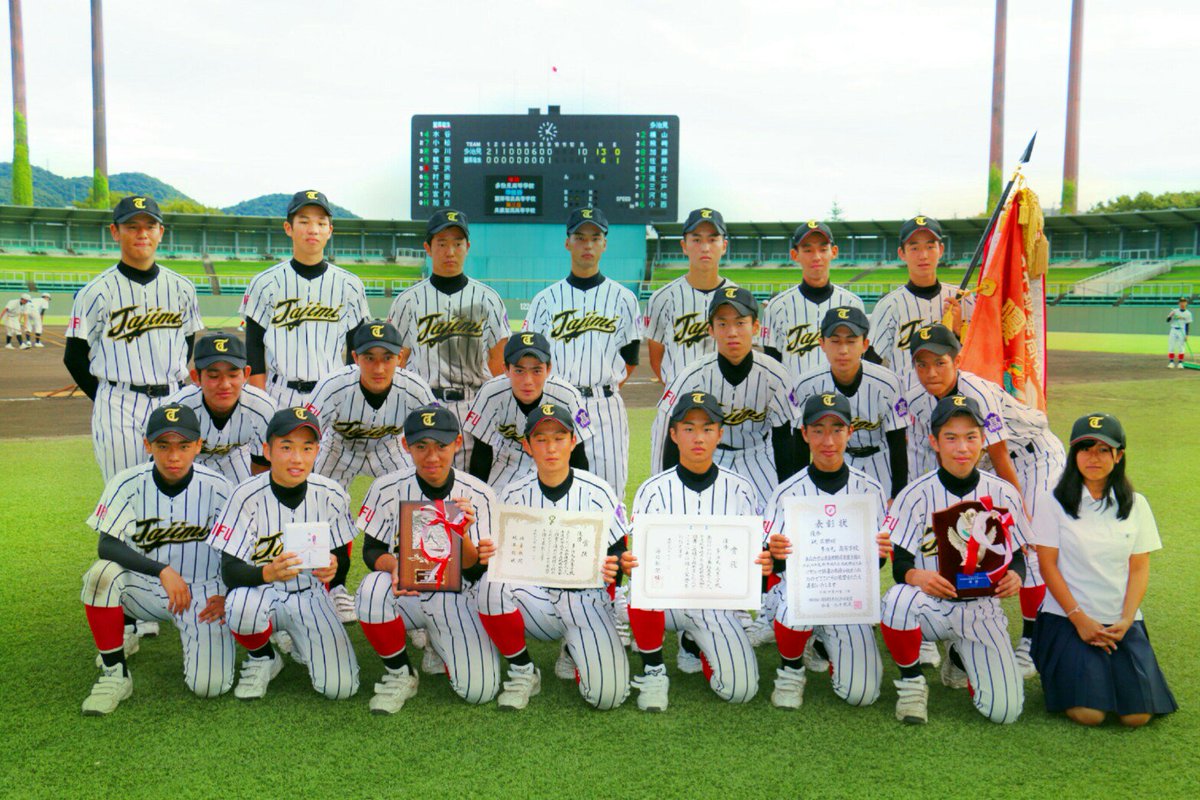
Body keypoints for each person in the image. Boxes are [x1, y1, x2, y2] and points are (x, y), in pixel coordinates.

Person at [903, 323, 1066, 676]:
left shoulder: (977, 391)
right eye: (922, 364)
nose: (931, 372)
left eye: (940, 362)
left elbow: (1001, 455)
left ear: (956, 360)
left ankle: (1032, 641)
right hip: (981, 463)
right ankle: (946, 627)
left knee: (1028, 544)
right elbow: (921, 455)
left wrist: (1017, 518)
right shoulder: (915, 397)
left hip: (1032, 457)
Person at [879, 394, 1030, 725]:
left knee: (1005, 712)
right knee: (897, 600)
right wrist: (917, 577)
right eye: (951, 437)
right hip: (930, 604)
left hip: (980, 608)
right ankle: (911, 683)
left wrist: (1016, 575)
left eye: (971, 437)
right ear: (934, 442)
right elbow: (901, 564)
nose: (962, 447)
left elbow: (1017, 554)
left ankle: (960, 658)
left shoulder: (1004, 493)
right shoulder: (914, 494)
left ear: (983, 440)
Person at [79, 403, 234, 714]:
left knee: (210, 687)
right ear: (148, 445)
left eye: (183, 446)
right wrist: (162, 570)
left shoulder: (219, 488)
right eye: (163, 445)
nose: (173, 456)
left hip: (202, 593)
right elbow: (107, 545)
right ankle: (115, 674)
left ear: (198, 446)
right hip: (145, 588)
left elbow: (237, 550)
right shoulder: (126, 482)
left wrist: (226, 595)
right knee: (100, 576)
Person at [477, 403, 630, 711]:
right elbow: (503, 557)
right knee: (490, 586)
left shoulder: (598, 490)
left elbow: (617, 549)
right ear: (527, 445)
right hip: (537, 600)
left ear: (573, 441)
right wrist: (488, 553)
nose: (550, 448)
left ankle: (573, 650)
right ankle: (523, 670)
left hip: (587, 600)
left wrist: (614, 565)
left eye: (559, 438)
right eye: (541, 439)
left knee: (608, 697)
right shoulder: (513, 493)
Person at [1030, 412, 1177, 726]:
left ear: (1119, 455)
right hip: (1067, 618)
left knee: (1137, 717)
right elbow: (1047, 566)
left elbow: (1139, 568)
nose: (1093, 457)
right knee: (1090, 714)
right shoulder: (1052, 502)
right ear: (1074, 454)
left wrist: (1127, 619)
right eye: (1085, 449)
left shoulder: (1137, 504)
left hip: (1120, 620)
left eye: (1103, 450)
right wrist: (1079, 619)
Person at [353, 406, 502, 713]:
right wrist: (394, 565)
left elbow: (475, 571)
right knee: (371, 589)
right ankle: (400, 672)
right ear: (406, 445)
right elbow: (371, 551)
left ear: (457, 443)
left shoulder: (479, 493)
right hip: (405, 592)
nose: (432, 456)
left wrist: (463, 536)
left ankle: (438, 641)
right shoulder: (385, 487)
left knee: (480, 692)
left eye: (441, 446)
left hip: (456, 596)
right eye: (421, 446)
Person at [622, 392, 761, 711]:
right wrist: (631, 564)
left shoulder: (740, 489)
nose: (698, 437)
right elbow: (643, 555)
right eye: (688, 428)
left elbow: (751, 558)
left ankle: (693, 641)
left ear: (720, 434)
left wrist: (763, 563)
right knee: (640, 584)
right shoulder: (653, 490)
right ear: (673, 434)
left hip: (715, 601)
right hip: (666, 600)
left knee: (741, 691)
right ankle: (653, 670)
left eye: (707, 428)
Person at [210, 407, 360, 701]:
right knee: (239, 604)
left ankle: (301, 639)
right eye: (286, 447)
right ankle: (263, 656)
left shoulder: (332, 494)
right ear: (267, 451)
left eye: (307, 448)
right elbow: (229, 571)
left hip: (310, 596)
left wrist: (333, 566)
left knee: (341, 689)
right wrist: (268, 572)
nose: (297, 458)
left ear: (317, 451)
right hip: (260, 593)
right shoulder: (244, 495)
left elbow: (341, 556)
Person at [64, 196, 204, 482]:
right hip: (119, 402)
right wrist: (107, 397)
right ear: (115, 232)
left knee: (175, 487)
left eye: (149, 226)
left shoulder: (182, 288)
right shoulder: (95, 292)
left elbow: (187, 343)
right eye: (132, 226)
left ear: (160, 232)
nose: (142, 233)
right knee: (123, 487)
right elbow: (74, 356)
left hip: (172, 398)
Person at [763, 392, 888, 709]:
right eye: (818, 430)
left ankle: (820, 645)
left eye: (837, 429)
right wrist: (774, 553)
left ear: (850, 432)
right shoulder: (786, 491)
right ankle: (791, 669)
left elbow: (876, 562)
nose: (828, 440)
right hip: (802, 594)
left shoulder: (871, 490)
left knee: (862, 695)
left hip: (847, 597)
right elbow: (772, 563)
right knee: (792, 607)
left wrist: (880, 552)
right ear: (804, 434)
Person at [523, 207, 643, 499]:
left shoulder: (624, 299)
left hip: (605, 406)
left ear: (604, 244)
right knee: (553, 491)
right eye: (580, 237)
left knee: (610, 492)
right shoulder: (545, 300)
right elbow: (532, 359)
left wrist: (603, 388)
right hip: (557, 404)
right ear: (568, 243)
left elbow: (630, 359)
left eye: (595, 238)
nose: (587, 244)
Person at [651, 285, 796, 508]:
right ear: (711, 329)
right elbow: (672, 438)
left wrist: (787, 494)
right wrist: (671, 487)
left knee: (772, 518)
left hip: (759, 458)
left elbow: (784, 439)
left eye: (740, 323)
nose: (732, 332)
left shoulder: (776, 376)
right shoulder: (692, 376)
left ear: (755, 327)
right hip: (710, 459)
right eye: (722, 324)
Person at [387, 209, 510, 470]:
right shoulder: (408, 301)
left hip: (474, 405)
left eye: (457, 243)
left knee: (472, 485)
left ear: (467, 247)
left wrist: (495, 406)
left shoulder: (488, 298)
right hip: (423, 403)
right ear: (428, 248)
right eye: (442, 243)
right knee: (423, 483)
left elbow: (498, 360)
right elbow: (397, 360)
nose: (450, 251)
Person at [240, 190, 371, 409]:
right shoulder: (264, 283)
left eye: (321, 223)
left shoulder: (350, 285)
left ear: (329, 230)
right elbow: (253, 348)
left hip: (333, 393)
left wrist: (350, 396)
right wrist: (260, 401)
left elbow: (355, 349)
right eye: (304, 221)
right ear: (288, 228)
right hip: (279, 393)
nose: (313, 229)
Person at [789, 305, 908, 500]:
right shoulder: (806, 385)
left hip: (880, 462)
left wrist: (897, 494)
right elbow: (799, 445)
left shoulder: (888, 383)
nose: (843, 350)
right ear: (822, 343)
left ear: (865, 344)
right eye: (835, 341)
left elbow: (898, 443)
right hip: (834, 464)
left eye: (851, 341)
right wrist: (801, 493)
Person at [306, 320, 437, 490]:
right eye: (369, 358)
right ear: (355, 358)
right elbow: (305, 432)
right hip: (338, 449)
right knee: (318, 495)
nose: (379, 369)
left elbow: (436, 430)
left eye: (387, 358)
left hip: (390, 449)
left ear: (399, 357)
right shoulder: (333, 386)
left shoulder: (415, 388)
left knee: (412, 492)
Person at [464, 331, 593, 491]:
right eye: (519, 371)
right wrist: (477, 497)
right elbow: (481, 454)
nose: (528, 381)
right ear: (506, 369)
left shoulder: (567, 396)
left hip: (553, 468)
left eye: (536, 370)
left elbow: (578, 457)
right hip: (506, 465)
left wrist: (578, 495)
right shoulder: (491, 393)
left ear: (548, 369)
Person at [869, 216, 972, 391]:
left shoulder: (964, 299)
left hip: (956, 399)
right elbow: (872, 362)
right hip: (905, 400)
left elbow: (980, 357)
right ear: (902, 253)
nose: (923, 255)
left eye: (930, 247)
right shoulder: (889, 305)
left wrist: (958, 331)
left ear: (941, 250)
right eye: (914, 248)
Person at [166, 333, 276, 484]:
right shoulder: (178, 408)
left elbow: (261, 466)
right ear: (196, 377)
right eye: (213, 376)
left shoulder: (262, 407)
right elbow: (164, 463)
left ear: (246, 374)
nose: (225, 384)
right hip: (190, 462)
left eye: (233, 374)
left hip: (236, 458)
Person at [762, 221, 865, 380]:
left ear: (834, 252)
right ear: (795, 255)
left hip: (841, 395)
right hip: (794, 394)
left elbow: (860, 360)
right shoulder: (776, 307)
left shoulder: (853, 304)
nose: (816, 257)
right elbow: (772, 365)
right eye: (808, 250)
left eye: (823, 249)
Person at [644, 207, 736, 386]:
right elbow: (656, 359)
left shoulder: (738, 297)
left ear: (724, 246)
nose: (705, 248)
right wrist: (676, 390)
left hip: (726, 397)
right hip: (679, 397)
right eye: (696, 240)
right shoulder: (661, 298)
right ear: (684, 246)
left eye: (712, 240)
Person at [1166, 296, 1191, 368]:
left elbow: (1187, 324)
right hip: (1173, 329)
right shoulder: (1174, 311)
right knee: (1171, 346)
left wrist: (1187, 335)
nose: (1182, 303)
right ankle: (1171, 362)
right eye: (1181, 302)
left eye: (1184, 302)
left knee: (1181, 346)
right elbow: (1167, 320)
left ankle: (1180, 363)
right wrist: (1171, 316)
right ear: (1179, 303)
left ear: (1186, 303)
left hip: (1182, 330)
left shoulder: (1188, 313)